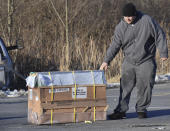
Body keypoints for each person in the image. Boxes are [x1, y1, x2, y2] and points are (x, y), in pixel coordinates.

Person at [100, 3, 168, 119]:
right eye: (126, 17)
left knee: (145, 86)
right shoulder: (120, 27)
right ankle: (121, 111)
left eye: (131, 16)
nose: (129, 19)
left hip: (146, 60)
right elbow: (115, 45)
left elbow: (160, 35)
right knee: (125, 87)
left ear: (135, 14)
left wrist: (163, 52)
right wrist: (106, 61)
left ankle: (141, 109)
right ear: (123, 16)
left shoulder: (147, 21)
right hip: (129, 61)